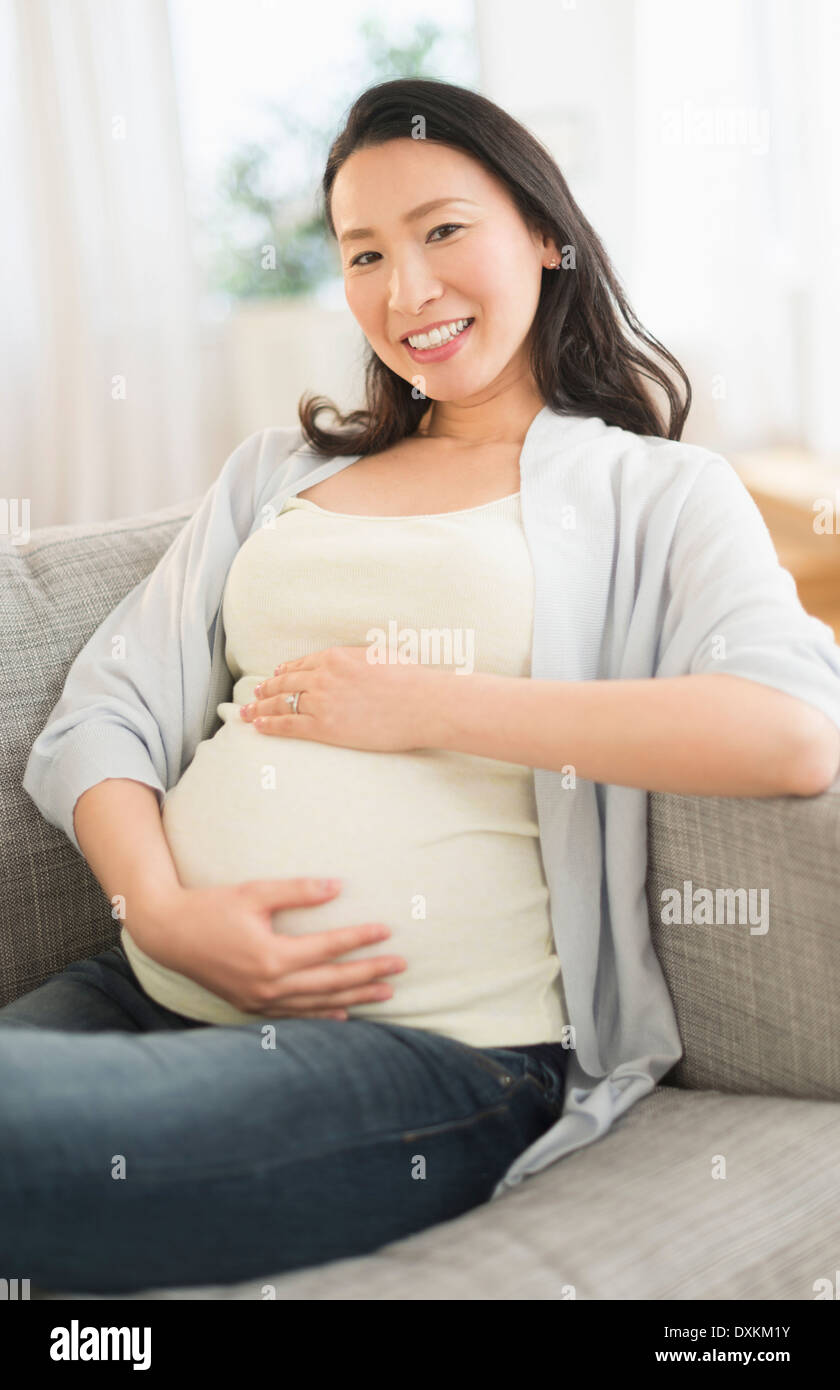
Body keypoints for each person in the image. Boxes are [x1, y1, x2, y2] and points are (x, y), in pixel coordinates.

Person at [6, 79, 840, 1297]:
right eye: (364, 253)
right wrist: (160, 909)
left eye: (444, 230)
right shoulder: (275, 473)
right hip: (145, 985)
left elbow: (788, 733)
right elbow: (106, 713)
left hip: (428, 1056)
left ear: (546, 235)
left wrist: (426, 701)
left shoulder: (654, 491)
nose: (406, 291)